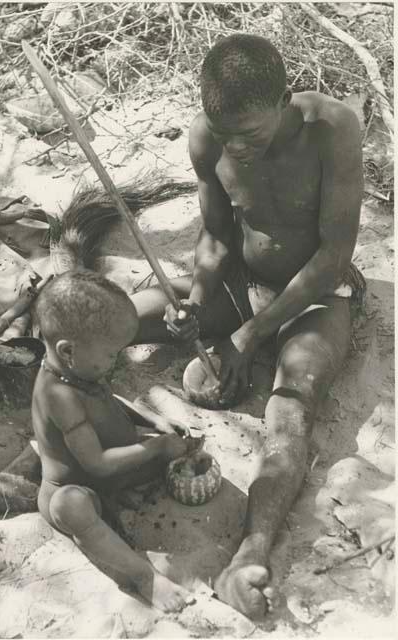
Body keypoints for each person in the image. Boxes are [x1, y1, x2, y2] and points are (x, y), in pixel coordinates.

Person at [130, 34, 365, 618]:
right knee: (141, 311)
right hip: (241, 283)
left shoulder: (332, 131)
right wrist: (201, 303)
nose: (237, 146)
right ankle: (23, 344)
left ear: (286, 100)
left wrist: (249, 335)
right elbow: (214, 239)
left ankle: (250, 552)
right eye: (225, 132)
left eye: (251, 134)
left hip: (315, 296)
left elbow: (333, 257)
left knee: (293, 401)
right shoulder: (208, 138)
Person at [32, 269, 195, 612]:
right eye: (110, 354)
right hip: (81, 485)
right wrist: (154, 446)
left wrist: (152, 420)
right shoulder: (58, 394)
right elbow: (96, 463)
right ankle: (142, 576)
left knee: (177, 450)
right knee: (70, 506)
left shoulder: (77, 371)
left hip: (109, 473)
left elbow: (109, 399)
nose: (114, 360)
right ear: (69, 351)